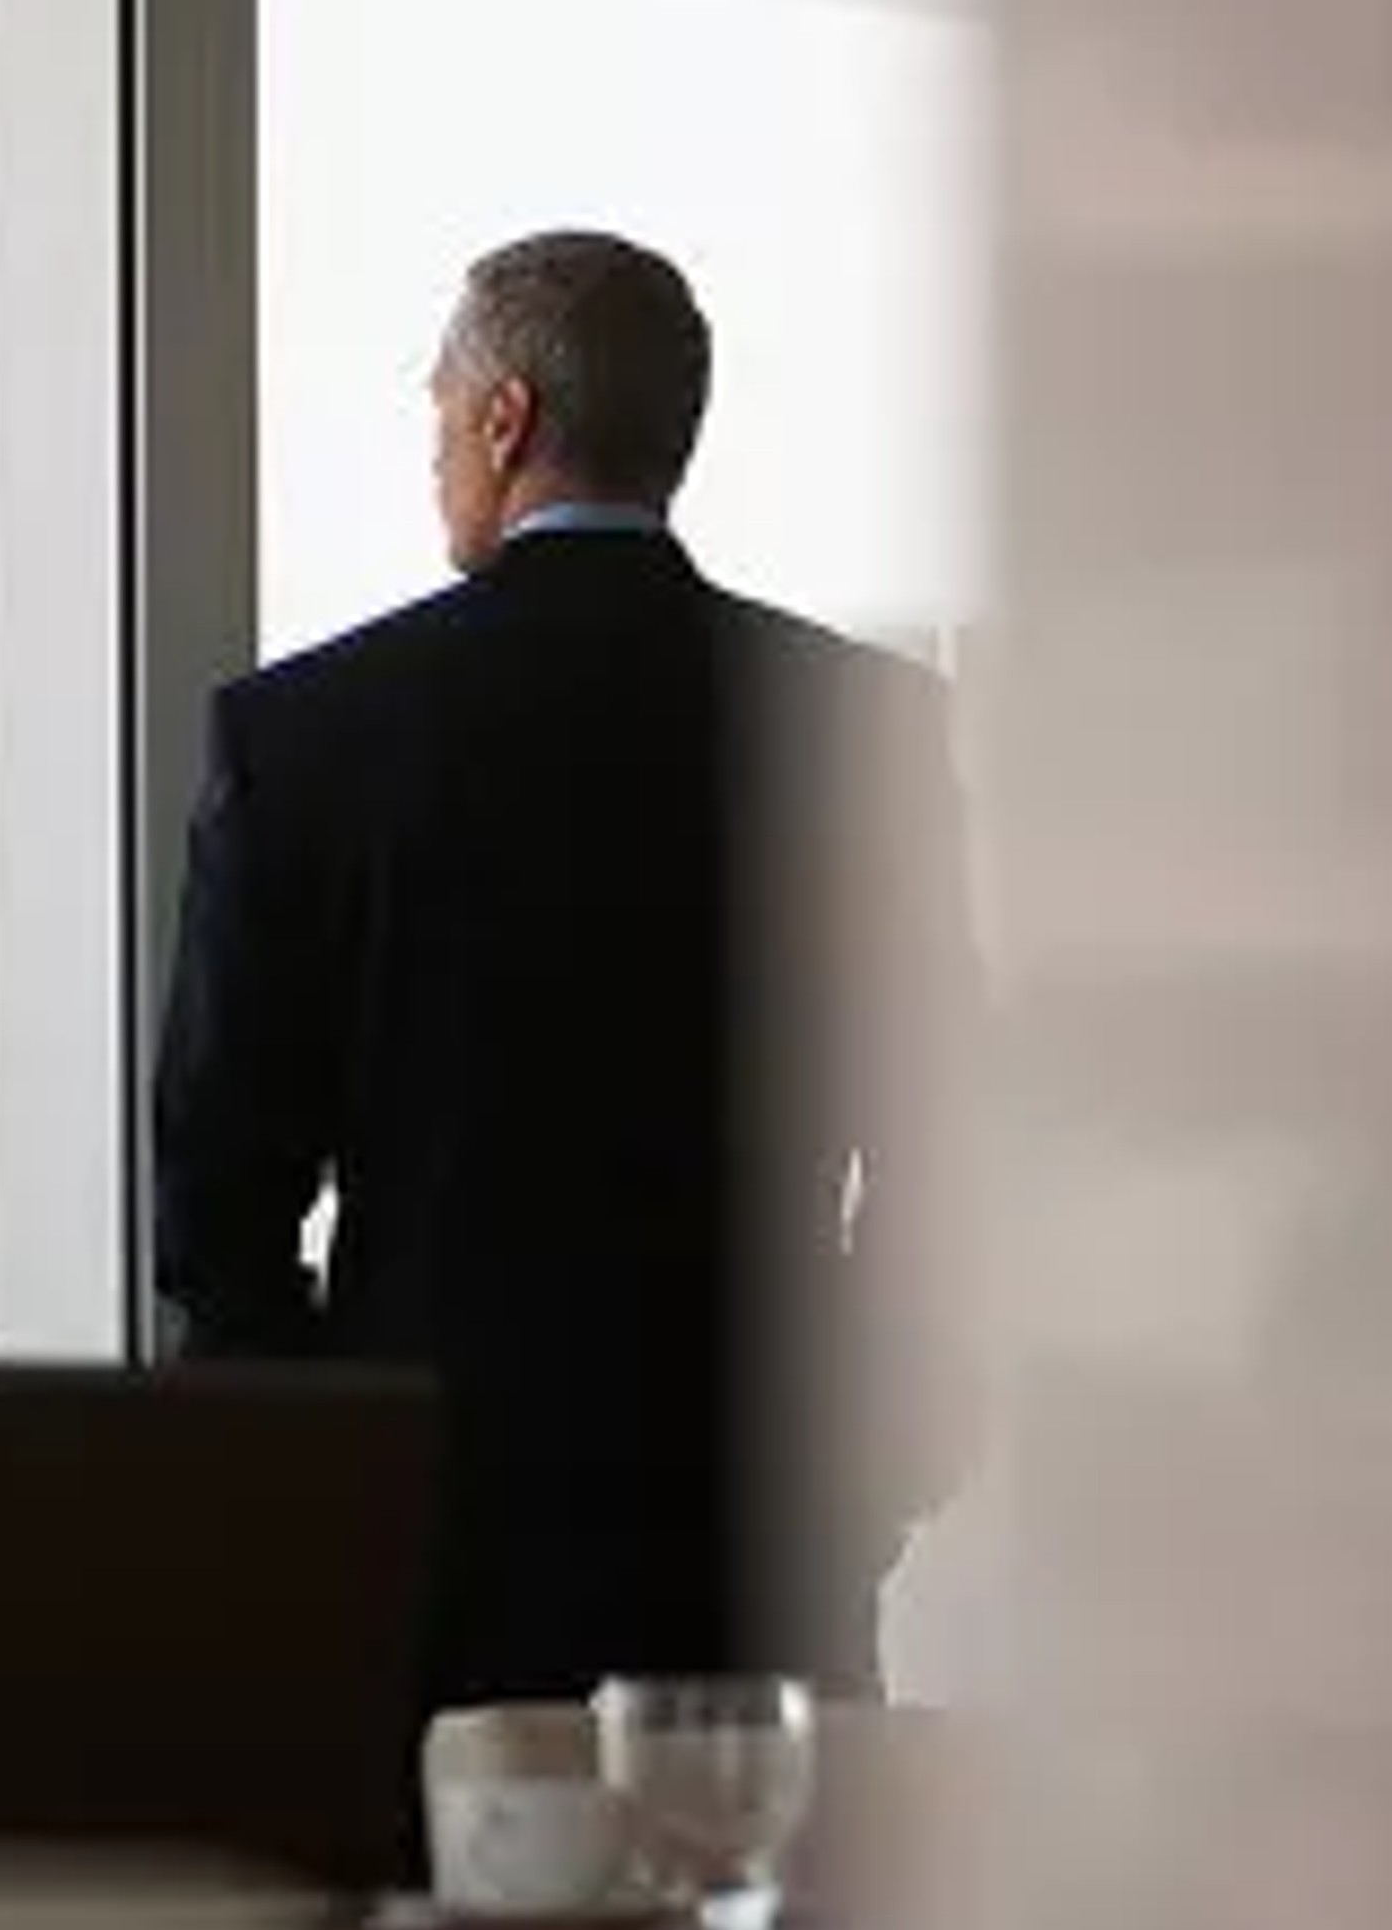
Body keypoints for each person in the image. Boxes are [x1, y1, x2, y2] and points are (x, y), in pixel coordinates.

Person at [154, 231, 971, 1711]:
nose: (435, 456)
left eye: (437, 408)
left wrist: (314, 1488)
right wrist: (879, 1464)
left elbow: (220, 1195)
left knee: (423, 1929)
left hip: (433, 1537)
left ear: (504, 417)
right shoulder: (866, 729)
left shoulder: (311, 737)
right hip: (762, 1516)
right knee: (766, 1922)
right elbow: (949, 1144)